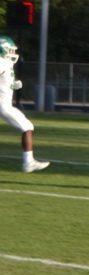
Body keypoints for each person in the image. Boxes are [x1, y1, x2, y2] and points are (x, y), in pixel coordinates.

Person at [0, 36, 50, 173]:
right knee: (27, 127)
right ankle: (28, 162)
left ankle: (29, 161)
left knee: (27, 127)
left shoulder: (5, 63)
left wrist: (11, 85)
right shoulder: (1, 62)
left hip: (4, 105)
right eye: (9, 50)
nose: (12, 53)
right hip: (3, 106)